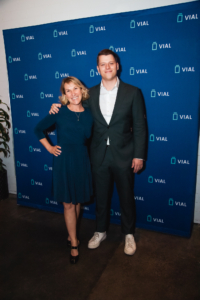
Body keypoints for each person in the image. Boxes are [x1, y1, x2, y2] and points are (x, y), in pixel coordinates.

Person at [50, 49, 147, 256]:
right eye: (103, 64)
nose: (108, 67)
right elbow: (73, 110)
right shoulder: (89, 94)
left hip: (124, 154)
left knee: (126, 196)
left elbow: (139, 126)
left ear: (117, 65)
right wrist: (56, 107)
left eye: (111, 63)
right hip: (97, 155)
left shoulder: (133, 92)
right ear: (98, 69)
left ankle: (128, 234)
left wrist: (139, 155)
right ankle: (100, 231)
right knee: (101, 196)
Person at [34, 76, 93, 264]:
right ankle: (74, 243)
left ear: (81, 90)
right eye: (68, 90)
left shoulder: (90, 113)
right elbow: (38, 129)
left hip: (81, 159)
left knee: (76, 202)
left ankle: (71, 234)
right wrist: (50, 148)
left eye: (75, 88)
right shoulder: (58, 111)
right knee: (68, 203)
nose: (73, 93)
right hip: (64, 160)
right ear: (64, 94)